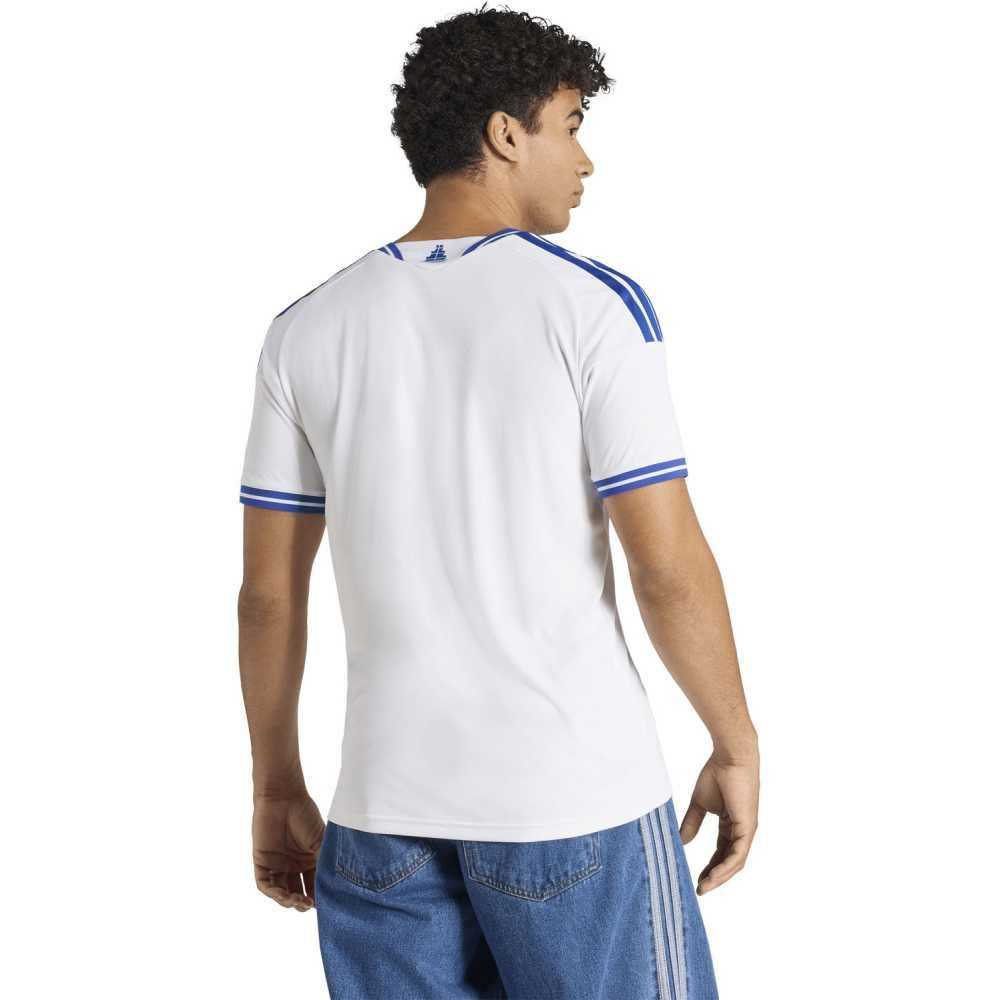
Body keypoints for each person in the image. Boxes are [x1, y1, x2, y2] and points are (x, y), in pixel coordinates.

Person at [236, 5, 759, 998]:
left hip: (380, 817)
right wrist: (734, 741)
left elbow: (268, 597)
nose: (586, 159)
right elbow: (665, 566)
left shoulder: (304, 329)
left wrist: (274, 784)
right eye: (570, 124)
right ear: (506, 133)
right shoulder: (592, 306)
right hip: (572, 804)